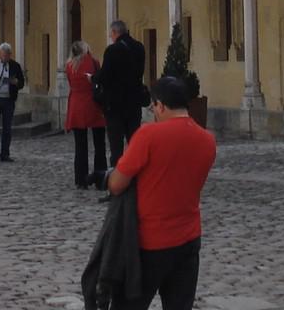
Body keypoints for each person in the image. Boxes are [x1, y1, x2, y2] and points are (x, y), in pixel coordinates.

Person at [106, 77, 217, 310]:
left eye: (153, 107)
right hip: (188, 240)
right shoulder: (207, 140)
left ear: (160, 105)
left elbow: (116, 184)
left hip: (150, 242)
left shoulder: (149, 136)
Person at [98, 20, 147, 166]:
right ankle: (136, 177)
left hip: (115, 105)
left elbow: (105, 76)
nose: (110, 36)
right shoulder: (139, 47)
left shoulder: (112, 50)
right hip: (134, 103)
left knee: (116, 148)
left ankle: (118, 180)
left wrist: (94, 78)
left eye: (110, 33)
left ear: (115, 33)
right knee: (134, 143)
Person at [65, 40, 107, 190]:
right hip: (92, 104)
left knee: (80, 146)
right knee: (99, 144)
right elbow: (99, 79)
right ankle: (100, 178)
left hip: (76, 104)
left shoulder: (69, 66)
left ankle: (80, 179)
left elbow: (71, 82)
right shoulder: (93, 62)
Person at [0, 43, 25, 162]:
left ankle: (5, 154)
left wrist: (16, 82)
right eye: (2, 55)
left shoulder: (15, 66)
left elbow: (21, 83)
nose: (4, 58)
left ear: (9, 55)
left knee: (7, 128)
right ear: (0, 54)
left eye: (6, 56)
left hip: (8, 100)